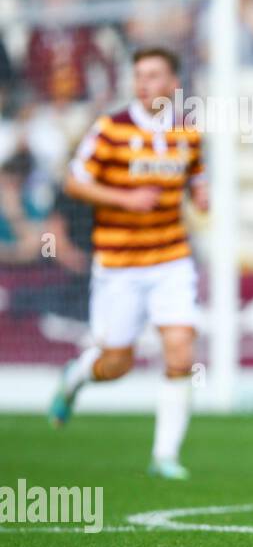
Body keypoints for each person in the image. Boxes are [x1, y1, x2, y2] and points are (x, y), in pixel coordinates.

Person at [49, 48, 209, 479]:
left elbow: (196, 171)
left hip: (171, 259)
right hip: (119, 262)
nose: (144, 84)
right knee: (115, 364)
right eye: (139, 75)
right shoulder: (110, 129)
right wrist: (125, 199)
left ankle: (165, 456)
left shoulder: (186, 132)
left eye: (153, 75)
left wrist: (200, 193)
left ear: (173, 83)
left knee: (180, 348)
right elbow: (74, 180)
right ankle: (78, 374)